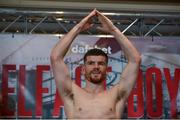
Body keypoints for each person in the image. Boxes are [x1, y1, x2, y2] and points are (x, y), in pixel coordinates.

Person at [50, 9, 141, 119]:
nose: (96, 67)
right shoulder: (72, 93)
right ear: (83, 69)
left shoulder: (116, 94)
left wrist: (113, 30)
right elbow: (55, 58)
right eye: (91, 63)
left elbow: (135, 60)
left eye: (101, 63)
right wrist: (77, 28)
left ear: (107, 69)